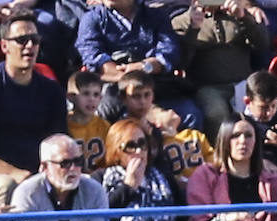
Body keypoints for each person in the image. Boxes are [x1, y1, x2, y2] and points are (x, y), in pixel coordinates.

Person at [0, 9, 69, 203]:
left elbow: (58, 139)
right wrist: (13, 173)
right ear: (4, 46)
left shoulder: (52, 89)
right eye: (22, 40)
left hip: (41, 173)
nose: (30, 46)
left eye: (35, 40)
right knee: (7, 186)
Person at [77, 0, 199, 130]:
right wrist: (130, 78)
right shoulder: (93, 18)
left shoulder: (156, 16)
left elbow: (169, 52)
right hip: (116, 90)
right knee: (101, 113)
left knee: (190, 113)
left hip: (155, 85)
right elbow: (92, 56)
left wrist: (144, 66)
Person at [171, 0, 271, 130]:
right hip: (208, 87)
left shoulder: (238, 14)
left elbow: (262, 44)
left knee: (271, 107)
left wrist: (244, 17)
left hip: (242, 84)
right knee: (216, 113)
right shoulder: (181, 22)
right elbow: (179, 62)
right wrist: (193, 29)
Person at [241, 69, 277, 178]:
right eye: (263, 107)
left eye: (273, 106)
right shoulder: (240, 124)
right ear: (248, 102)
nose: (269, 112)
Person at [68, 69, 110, 173]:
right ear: (71, 97)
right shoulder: (63, 125)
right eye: (85, 94)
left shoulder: (104, 126)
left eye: (96, 94)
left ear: (101, 98)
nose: (91, 99)